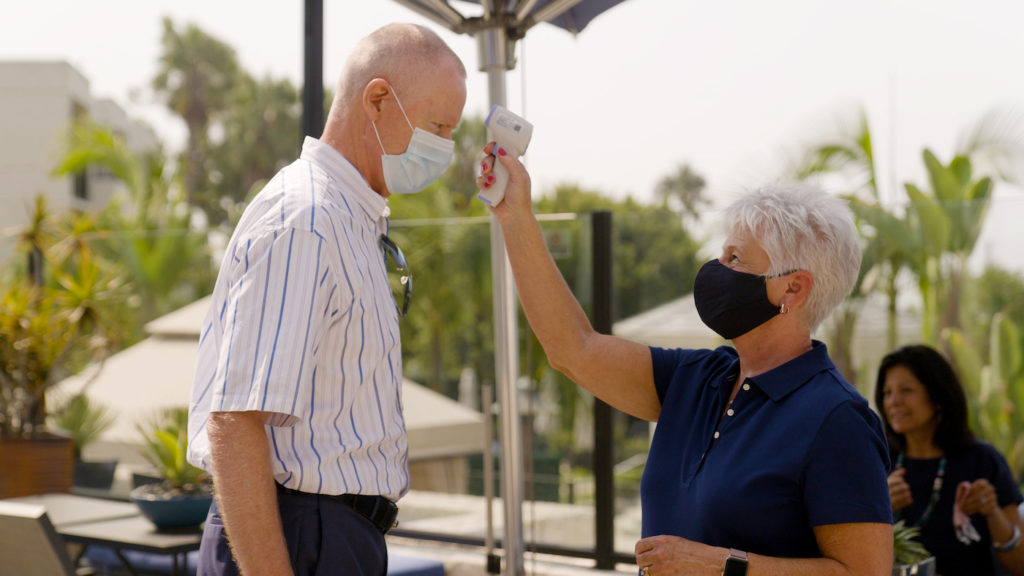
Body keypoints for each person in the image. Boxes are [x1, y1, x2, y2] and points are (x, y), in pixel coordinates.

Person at [477, 151, 893, 575]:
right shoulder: (695, 379)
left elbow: (863, 572)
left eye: (735, 259)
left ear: (792, 289)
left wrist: (726, 566)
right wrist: (516, 217)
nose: (716, 269)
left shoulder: (837, 418)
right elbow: (574, 350)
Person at [186, 23, 467, 576]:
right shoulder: (308, 221)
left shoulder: (346, 219)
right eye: (438, 127)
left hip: (328, 534)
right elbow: (236, 418)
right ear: (379, 100)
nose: (445, 150)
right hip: (299, 535)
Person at [877, 344, 1024, 575]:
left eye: (906, 390)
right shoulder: (877, 463)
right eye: (887, 393)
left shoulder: (982, 461)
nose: (893, 401)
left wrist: (992, 511)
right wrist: (879, 506)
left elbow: (1019, 565)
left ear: (937, 397)